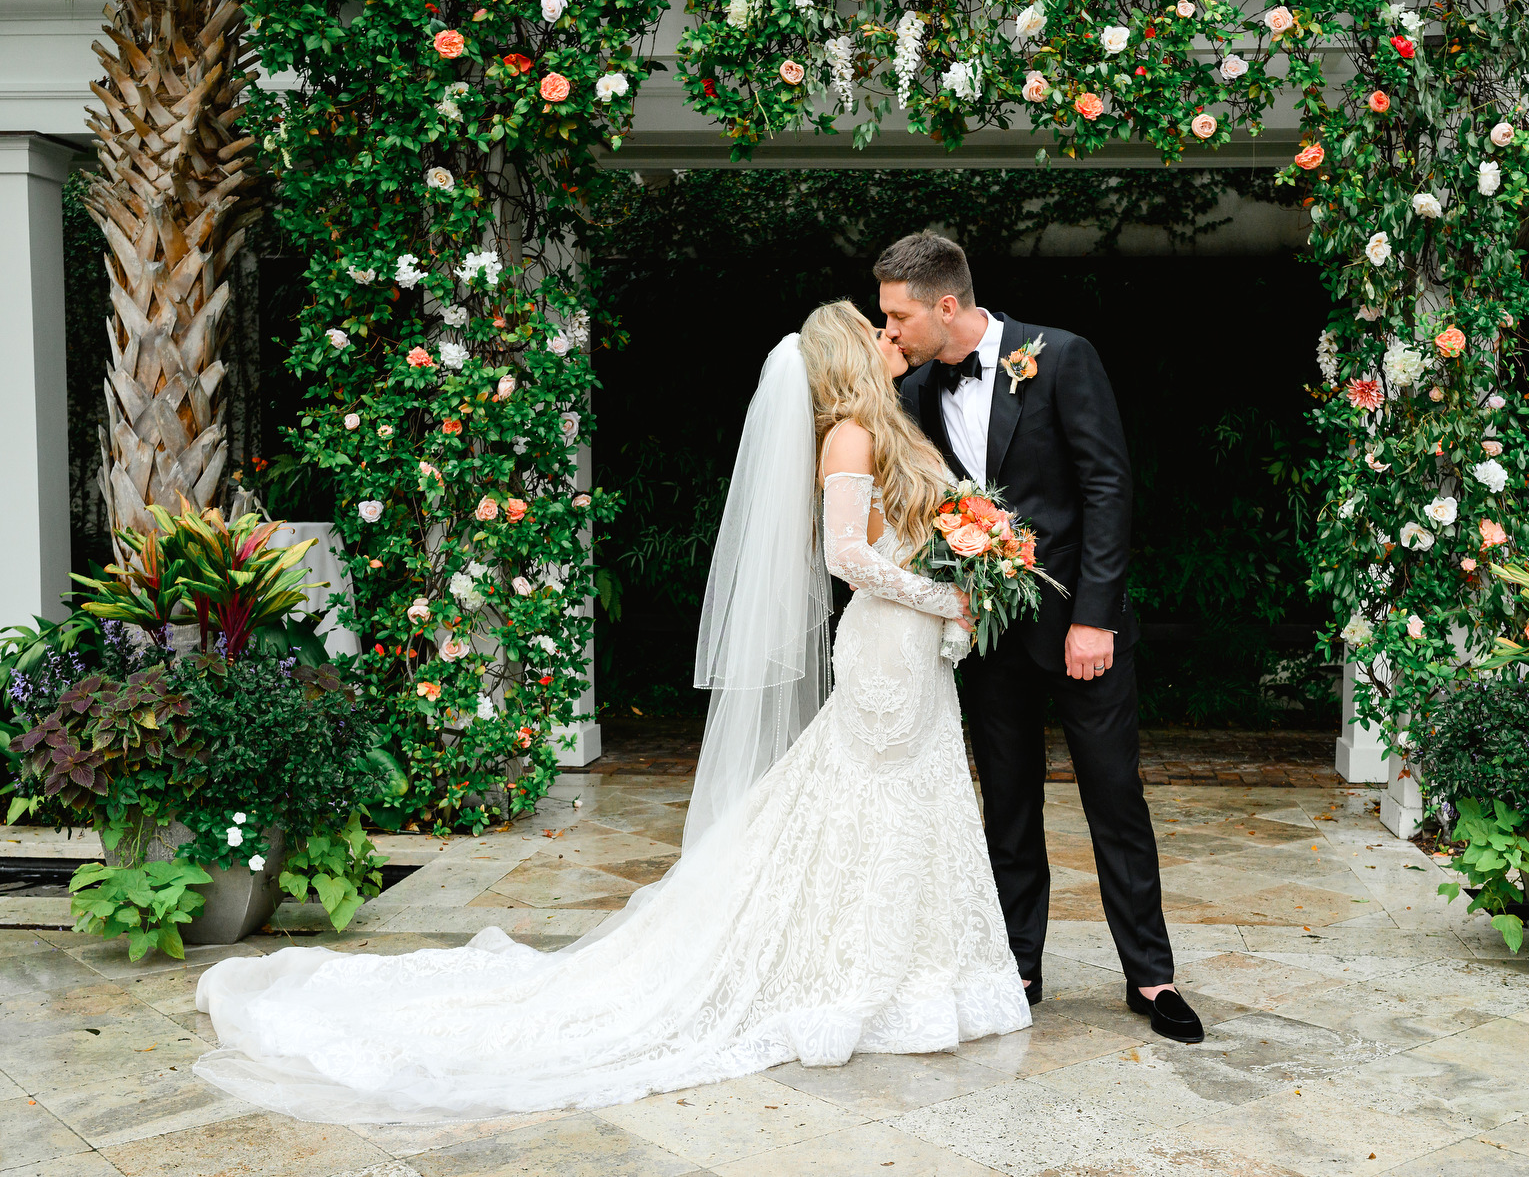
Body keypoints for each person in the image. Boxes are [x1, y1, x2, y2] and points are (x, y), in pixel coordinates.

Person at [189, 300, 1030, 1124]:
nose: (891, 337)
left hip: (916, 648)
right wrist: (939, 597)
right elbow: (845, 555)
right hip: (887, 646)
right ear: (848, 355)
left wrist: (971, 569)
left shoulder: (893, 426)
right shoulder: (848, 434)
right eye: (874, 331)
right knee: (871, 800)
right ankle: (862, 976)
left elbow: (908, 533)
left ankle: (918, 974)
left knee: (901, 803)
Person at [879, 231, 1205, 1044]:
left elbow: (1106, 485)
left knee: (1113, 799)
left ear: (945, 306)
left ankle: (1151, 977)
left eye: (898, 316)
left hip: (1079, 632)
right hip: (987, 637)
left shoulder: (1059, 356)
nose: (890, 331)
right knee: (1008, 807)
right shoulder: (915, 390)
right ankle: (1017, 966)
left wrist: (1094, 617)